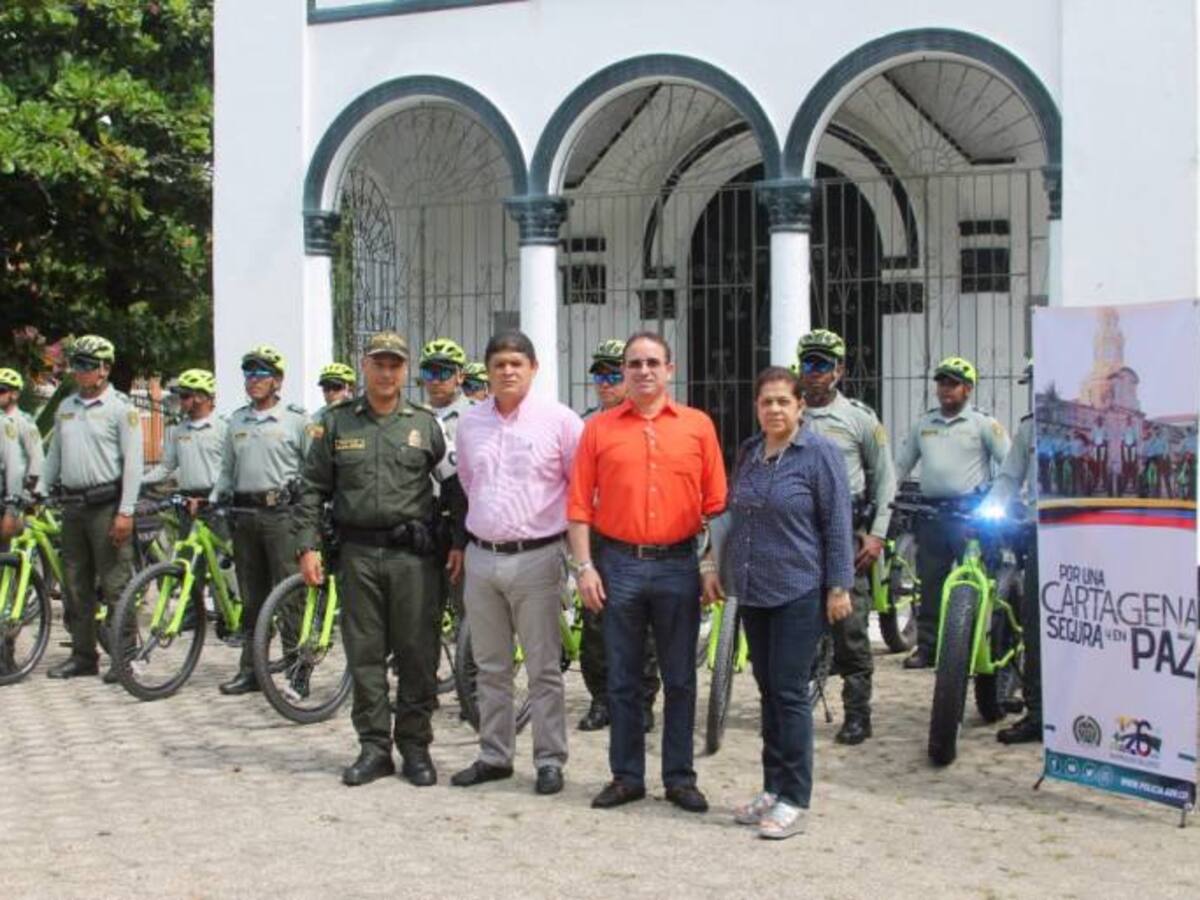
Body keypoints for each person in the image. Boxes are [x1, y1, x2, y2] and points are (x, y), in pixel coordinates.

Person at [296, 331, 464, 787]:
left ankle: (415, 746)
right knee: (364, 654)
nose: (387, 373)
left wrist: (457, 542)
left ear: (405, 371)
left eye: (395, 365)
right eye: (379, 364)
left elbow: (454, 487)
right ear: (364, 367)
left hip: (413, 560)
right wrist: (308, 546)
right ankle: (373, 748)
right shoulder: (336, 424)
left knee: (417, 653)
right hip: (357, 557)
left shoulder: (426, 425)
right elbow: (311, 488)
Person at [568, 331, 725, 814]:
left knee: (680, 679)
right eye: (634, 364)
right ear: (624, 372)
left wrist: (710, 564)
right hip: (618, 565)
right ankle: (626, 776)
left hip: (679, 565)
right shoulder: (598, 430)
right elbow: (578, 506)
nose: (643, 371)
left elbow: (717, 505)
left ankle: (679, 777)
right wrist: (584, 567)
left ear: (669, 369)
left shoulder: (698, 427)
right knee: (622, 678)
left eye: (652, 362)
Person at [725, 366, 854, 839]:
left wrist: (839, 586)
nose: (774, 409)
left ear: (800, 406)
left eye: (783, 401)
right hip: (754, 588)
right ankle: (772, 786)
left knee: (789, 692)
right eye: (767, 402)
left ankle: (795, 797)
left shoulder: (819, 454)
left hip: (799, 589)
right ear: (756, 408)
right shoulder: (749, 452)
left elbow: (837, 522)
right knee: (767, 691)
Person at [452, 330, 583, 796]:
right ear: (487, 371)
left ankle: (549, 759)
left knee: (543, 669)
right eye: (499, 364)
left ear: (533, 368)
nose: (508, 371)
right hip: (482, 558)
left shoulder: (561, 421)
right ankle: (495, 755)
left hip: (538, 558)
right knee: (490, 667)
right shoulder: (470, 423)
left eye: (516, 363)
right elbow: (469, 481)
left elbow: (579, 487)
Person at [795, 329, 896, 746]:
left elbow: (886, 480)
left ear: (839, 370)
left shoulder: (859, 418)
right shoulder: (787, 413)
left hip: (845, 534)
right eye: (809, 363)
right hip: (797, 535)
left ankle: (857, 714)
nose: (815, 372)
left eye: (823, 364)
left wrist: (877, 536)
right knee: (795, 623)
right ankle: (790, 708)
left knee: (850, 626)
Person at [36, 335, 143, 681]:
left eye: (87, 365)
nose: (79, 371)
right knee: (74, 585)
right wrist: (39, 491)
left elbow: (133, 463)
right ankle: (84, 655)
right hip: (72, 506)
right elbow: (54, 456)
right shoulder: (67, 407)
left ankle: (124, 657)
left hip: (106, 506)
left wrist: (126, 511)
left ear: (104, 369)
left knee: (115, 584)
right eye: (76, 364)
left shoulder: (120, 408)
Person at [895, 356, 1009, 669]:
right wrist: (888, 495)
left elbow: (1009, 463)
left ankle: (976, 645)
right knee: (930, 582)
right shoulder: (924, 424)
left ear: (968, 389)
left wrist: (999, 498)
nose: (946, 389)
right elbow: (901, 465)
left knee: (978, 580)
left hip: (971, 515)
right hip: (933, 514)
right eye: (942, 383)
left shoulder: (983, 424)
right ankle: (928, 647)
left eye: (953, 384)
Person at [211, 344, 310, 695]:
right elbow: (227, 470)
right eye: (249, 374)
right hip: (245, 516)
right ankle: (252, 670)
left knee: (289, 596)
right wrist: (216, 499)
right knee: (252, 599)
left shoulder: (296, 421)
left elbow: (313, 471)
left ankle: (298, 671)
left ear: (277, 381)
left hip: (282, 517)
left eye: (261, 374)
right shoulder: (237, 421)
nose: (253, 380)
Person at [576, 339, 661, 734]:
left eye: (613, 375)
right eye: (600, 375)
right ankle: (602, 700)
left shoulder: (651, 422)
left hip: (638, 534)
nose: (606, 383)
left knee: (641, 625)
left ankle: (642, 702)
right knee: (595, 622)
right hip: (597, 535)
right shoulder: (583, 425)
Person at [987, 361, 1041, 744]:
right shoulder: (1029, 429)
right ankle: (1038, 714)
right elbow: (1008, 478)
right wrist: (989, 509)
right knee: (1036, 626)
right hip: (1043, 535)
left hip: (1087, 538)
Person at [142, 369, 225, 503]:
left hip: (215, 501)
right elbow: (166, 467)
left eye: (185, 396)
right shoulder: (178, 429)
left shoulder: (224, 428)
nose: (180, 400)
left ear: (201, 397)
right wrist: (139, 482)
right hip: (187, 500)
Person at [0, 367, 44, 492]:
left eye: (1, 390)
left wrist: (28, 489)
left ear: (15, 394)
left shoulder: (24, 422)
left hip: (14, 488)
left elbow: (36, 456)